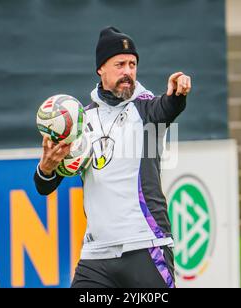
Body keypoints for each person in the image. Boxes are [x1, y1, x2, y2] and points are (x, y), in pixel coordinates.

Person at [34, 26, 191, 288]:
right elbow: (43, 186)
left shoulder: (146, 108)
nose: (128, 71)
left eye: (132, 64)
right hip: (97, 257)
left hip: (146, 246)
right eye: (120, 64)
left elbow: (168, 107)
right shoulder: (80, 121)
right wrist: (47, 167)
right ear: (101, 69)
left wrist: (178, 93)